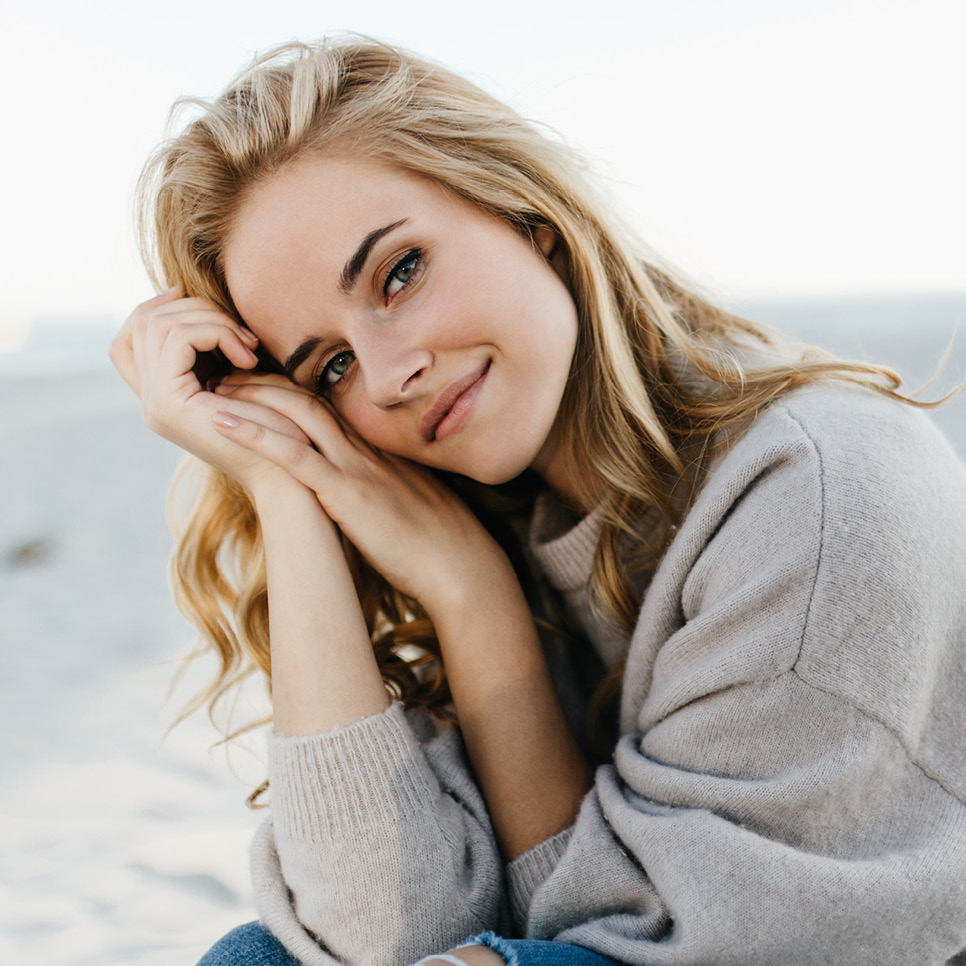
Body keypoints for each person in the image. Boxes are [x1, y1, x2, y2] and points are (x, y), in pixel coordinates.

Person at [109, 36, 966, 966]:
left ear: (529, 215)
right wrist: (282, 480)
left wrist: (480, 607)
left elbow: (623, 933)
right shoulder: (471, 510)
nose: (391, 375)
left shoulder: (814, 490)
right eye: (332, 367)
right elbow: (373, 931)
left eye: (400, 272)